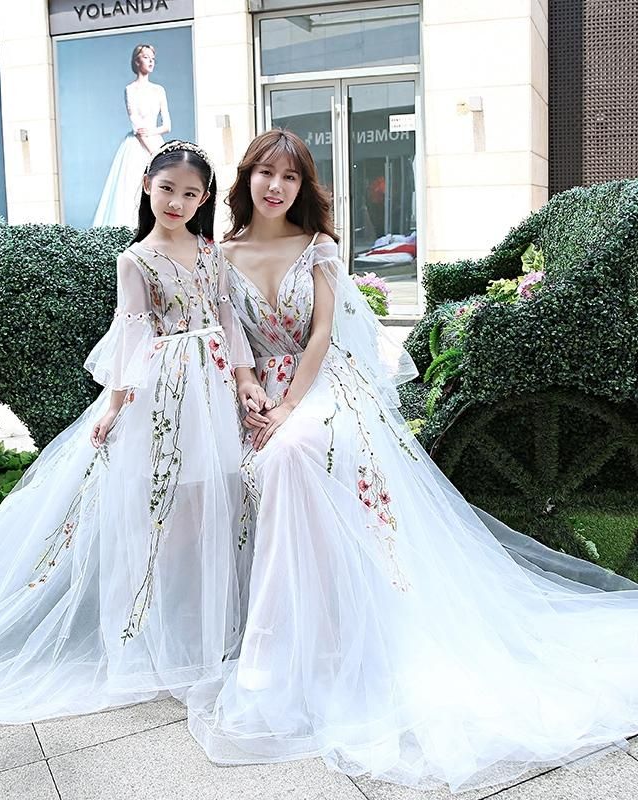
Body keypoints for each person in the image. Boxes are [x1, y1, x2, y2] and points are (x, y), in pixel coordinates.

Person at [186, 129, 638, 793]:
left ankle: (283, 655)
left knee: (295, 452)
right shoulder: (222, 255)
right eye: (264, 174)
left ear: (302, 188)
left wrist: (286, 409)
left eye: (289, 177)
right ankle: (302, 632)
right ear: (246, 180)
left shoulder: (318, 249)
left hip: (321, 387)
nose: (276, 187)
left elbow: (320, 337)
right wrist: (250, 387)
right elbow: (230, 332)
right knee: (248, 460)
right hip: (260, 389)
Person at [0, 141, 263, 724]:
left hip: (211, 386)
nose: (177, 202)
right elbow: (132, 329)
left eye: (190, 194)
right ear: (146, 185)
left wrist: (244, 379)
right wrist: (114, 405)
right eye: (167, 189)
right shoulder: (135, 259)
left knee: (212, 500)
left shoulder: (211, 252)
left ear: (205, 199)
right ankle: (156, 629)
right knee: (157, 504)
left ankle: (212, 623)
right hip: (163, 390)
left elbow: (227, 320)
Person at [92, 44, 171, 228]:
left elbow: (167, 126)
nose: (150, 61)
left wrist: (155, 142)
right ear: (137, 61)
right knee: (131, 191)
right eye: (146, 57)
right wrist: (155, 153)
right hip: (136, 147)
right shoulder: (130, 89)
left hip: (155, 143)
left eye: (153, 58)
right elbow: (137, 127)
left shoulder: (159, 90)